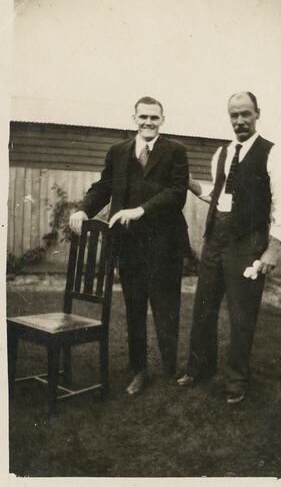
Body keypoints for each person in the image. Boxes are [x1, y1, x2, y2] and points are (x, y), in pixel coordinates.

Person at [178, 91, 281, 404]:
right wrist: (190, 183)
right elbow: (218, 196)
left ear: (257, 114)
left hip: (248, 245)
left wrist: (273, 250)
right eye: (234, 115)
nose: (240, 121)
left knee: (242, 317)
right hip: (215, 241)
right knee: (203, 309)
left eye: (245, 114)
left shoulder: (272, 153)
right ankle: (199, 369)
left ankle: (236, 382)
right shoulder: (221, 153)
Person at [70, 96, 189, 396]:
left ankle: (171, 369)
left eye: (154, 117)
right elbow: (104, 188)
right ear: (133, 118)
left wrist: (141, 210)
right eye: (143, 117)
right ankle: (139, 370)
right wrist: (84, 209)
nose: (148, 122)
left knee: (167, 308)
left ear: (163, 119)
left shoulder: (176, 151)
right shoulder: (118, 152)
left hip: (166, 245)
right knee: (135, 309)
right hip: (129, 246)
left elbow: (177, 193)